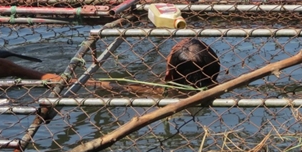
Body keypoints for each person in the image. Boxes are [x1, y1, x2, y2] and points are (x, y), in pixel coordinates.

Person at [81, 38, 221, 96]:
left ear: (168, 75)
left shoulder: (155, 91)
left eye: (169, 55)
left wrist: (68, 80)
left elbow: (102, 84)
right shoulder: (223, 86)